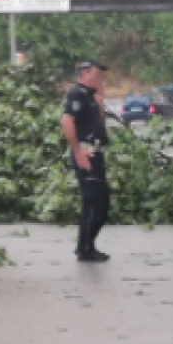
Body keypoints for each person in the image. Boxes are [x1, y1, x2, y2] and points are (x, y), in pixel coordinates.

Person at [61, 60, 112, 263]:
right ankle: (84, 248)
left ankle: (87, 245)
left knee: (99, 201)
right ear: (84, 73)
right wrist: (78, 151)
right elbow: (66, 121)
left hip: (96, 153)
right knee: (95, 201)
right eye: (97, 74)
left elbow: (99, 123)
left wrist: (100, 101)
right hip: (86, 153)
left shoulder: (89, 97)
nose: (101, 79)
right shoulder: (76, 94)